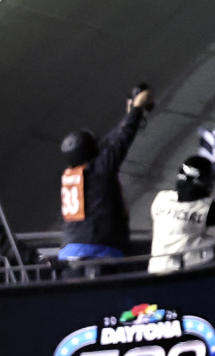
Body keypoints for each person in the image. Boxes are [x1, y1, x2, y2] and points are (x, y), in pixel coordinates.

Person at [58, 85, 154, 261]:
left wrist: (131, 114)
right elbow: (121, 140)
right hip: (99, 251)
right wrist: (137, 108)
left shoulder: (71, 175)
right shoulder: (100, 170)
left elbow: (109, 144)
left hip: (69, 250)